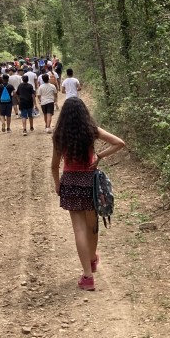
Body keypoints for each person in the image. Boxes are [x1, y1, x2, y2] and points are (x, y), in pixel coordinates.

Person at [51, 98, 125, 291]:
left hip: (70, 182)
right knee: (92, 226)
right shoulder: (91, 130)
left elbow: (54, 165)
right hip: (90, 183)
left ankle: (87, 276)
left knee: (79, 230)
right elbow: (119, 143)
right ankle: (92, 259)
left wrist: (58, 184)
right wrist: (99, 156)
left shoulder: (59, 135)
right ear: (84, 113)